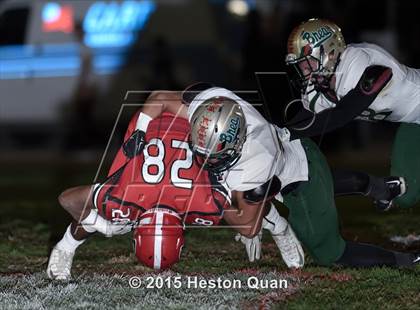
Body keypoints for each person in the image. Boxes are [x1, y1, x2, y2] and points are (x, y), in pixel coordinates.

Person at [136, 84, 420, 268]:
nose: (204, 159)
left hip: (300, 180)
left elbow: (248, 226)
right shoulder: (212, 105)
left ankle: (406, 260)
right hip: (293, 148)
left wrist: (209, 188)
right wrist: (140, 131)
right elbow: (160, 98)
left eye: (213, 154)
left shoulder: (255, 161)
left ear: (236, 144)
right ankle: (380, 187)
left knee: (330, 253)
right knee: (323, 186)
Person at [46, 110, 300, 280]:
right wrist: (101, 222)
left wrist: (104, 225)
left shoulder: (197, 202)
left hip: (194, 125)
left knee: (247, 204)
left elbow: (68, 200)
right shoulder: (195, 202)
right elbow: (68, 200)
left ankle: (279, 227)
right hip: (165, 134)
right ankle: (65, 247)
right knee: (105, 210)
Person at [284, 18, 419, 210]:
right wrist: (278, 135)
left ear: (329, 52)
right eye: (301, 66)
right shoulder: (319, 89)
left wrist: (287, 134)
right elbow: (304, 122)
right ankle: (389, 188)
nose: (304, 72)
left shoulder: (357, 61)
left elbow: (344, 114)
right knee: (407, 196)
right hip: (413, 123)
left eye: (308, 64)